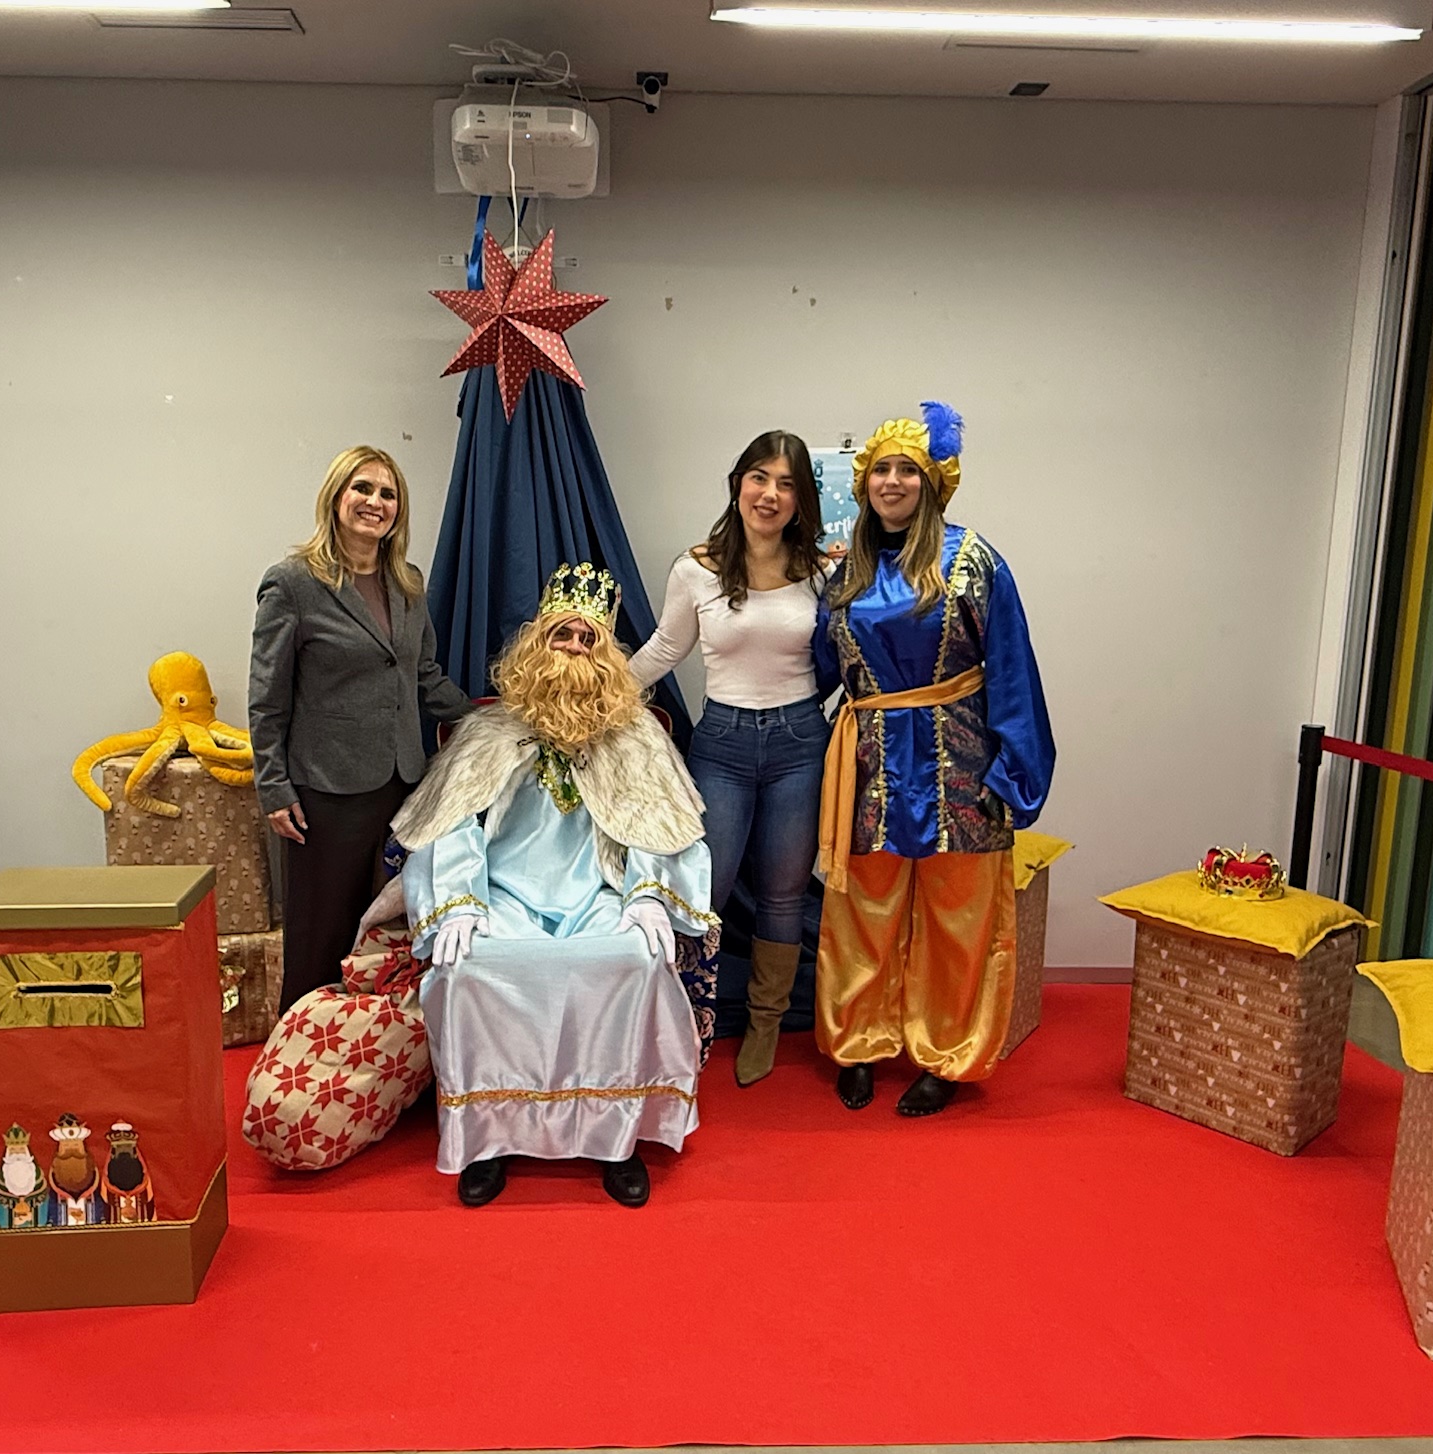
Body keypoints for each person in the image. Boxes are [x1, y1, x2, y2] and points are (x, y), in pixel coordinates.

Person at [391, 563, 716, 1208]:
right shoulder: (489, 731)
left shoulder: (636, 735)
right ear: (536, 644)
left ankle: (616, 1138)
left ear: (606, 655)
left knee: (635, 962)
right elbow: (452, 823)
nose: (572, 648)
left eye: (587, 638)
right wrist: (457, 901)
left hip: (599, 894)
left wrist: (649, 894)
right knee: (468, 969)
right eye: (561, 635)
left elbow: (658, 827)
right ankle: (488, 1139)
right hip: (503, 897)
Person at [812, 403, 1054, 1117]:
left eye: (907, 471)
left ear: (934, 481)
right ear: (864, 482)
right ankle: (860, 1044)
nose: (892, 482)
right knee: (862, 912)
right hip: (870, 766)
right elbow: (820, 668)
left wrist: (1015, 774)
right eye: (881, 470)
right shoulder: (845, 573)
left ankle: (946, 1052)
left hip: (961, 765)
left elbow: (1012, 669)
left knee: (959, 920)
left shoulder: (975, 561)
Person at [631, 431, 830, 1087]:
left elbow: (847, 656)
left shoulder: (820, 573)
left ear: (801, 500)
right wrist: (591, 698)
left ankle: (766, 1022)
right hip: (723, 743)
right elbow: (665, 650)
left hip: (801, 744)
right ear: (738, 484)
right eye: (760, 478)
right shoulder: (696, 569)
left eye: (786, 484)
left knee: (783, 893)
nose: (770, 494)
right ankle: (686, 1015)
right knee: (704, 890)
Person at [249, 445, 472, 1012]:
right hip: (326, 792)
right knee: (321, 934)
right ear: (336, 497)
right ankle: (301, 1043)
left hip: (402, 786)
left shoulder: (408, 582)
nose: (375, 502)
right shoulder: (292, 583)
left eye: (388, 493)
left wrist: (488, 717)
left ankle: (366, 1045)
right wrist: (273, 787)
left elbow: (422, 675)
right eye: (363, 488)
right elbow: (267, 698)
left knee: (385, 933)